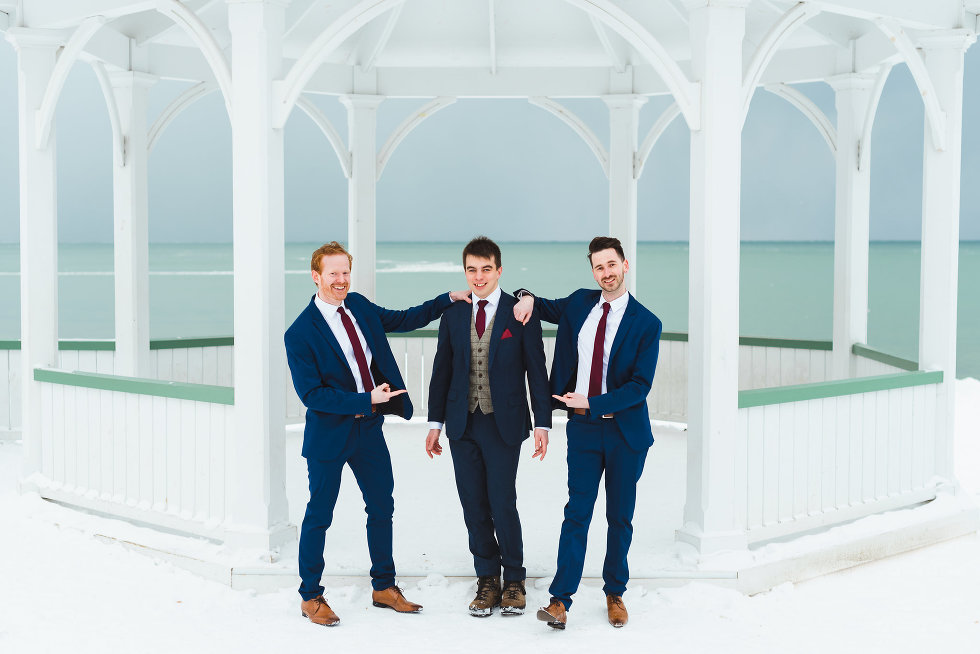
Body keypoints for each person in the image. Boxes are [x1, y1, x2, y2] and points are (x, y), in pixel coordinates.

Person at [285, 241, 470, 627]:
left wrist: (444, 300)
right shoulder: (299, 332)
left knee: (381, 507)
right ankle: (310, 595)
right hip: (329, 435)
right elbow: (312, 394)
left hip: (369, 430)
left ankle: (384, 586)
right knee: (319, 515)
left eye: (345, 272)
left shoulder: (360, 306)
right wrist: (364, 398)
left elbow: (403, 318)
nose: (340, 280)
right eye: (332, 273)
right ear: (316, 276)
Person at [512, 236, 662, 630]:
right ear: (592, 270)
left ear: (625, 265)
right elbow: (540, 305)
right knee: (576, 514)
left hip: (625, 435)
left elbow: (639, 387)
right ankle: (560, 601)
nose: (606, 273)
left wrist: (592, 402)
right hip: (582, 432)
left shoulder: (647, 323)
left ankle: (615, 593)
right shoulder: (580, 303)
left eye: (612, 265)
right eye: (598, 267)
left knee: (619, 518)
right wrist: (525, 295)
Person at [425, 236, 552, 617]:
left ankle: (514, 578)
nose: (478, 277)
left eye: (485, 269)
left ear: (499, 271)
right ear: (465, 272)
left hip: (504, 423)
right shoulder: (454, 314)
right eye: (471, 270)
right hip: (462, 423)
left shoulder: (520, 313)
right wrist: (435, 423)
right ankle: (487, 579)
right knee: (473, 505)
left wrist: (543, 423)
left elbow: (537, 372)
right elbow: (441, 371)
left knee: (502, 501)